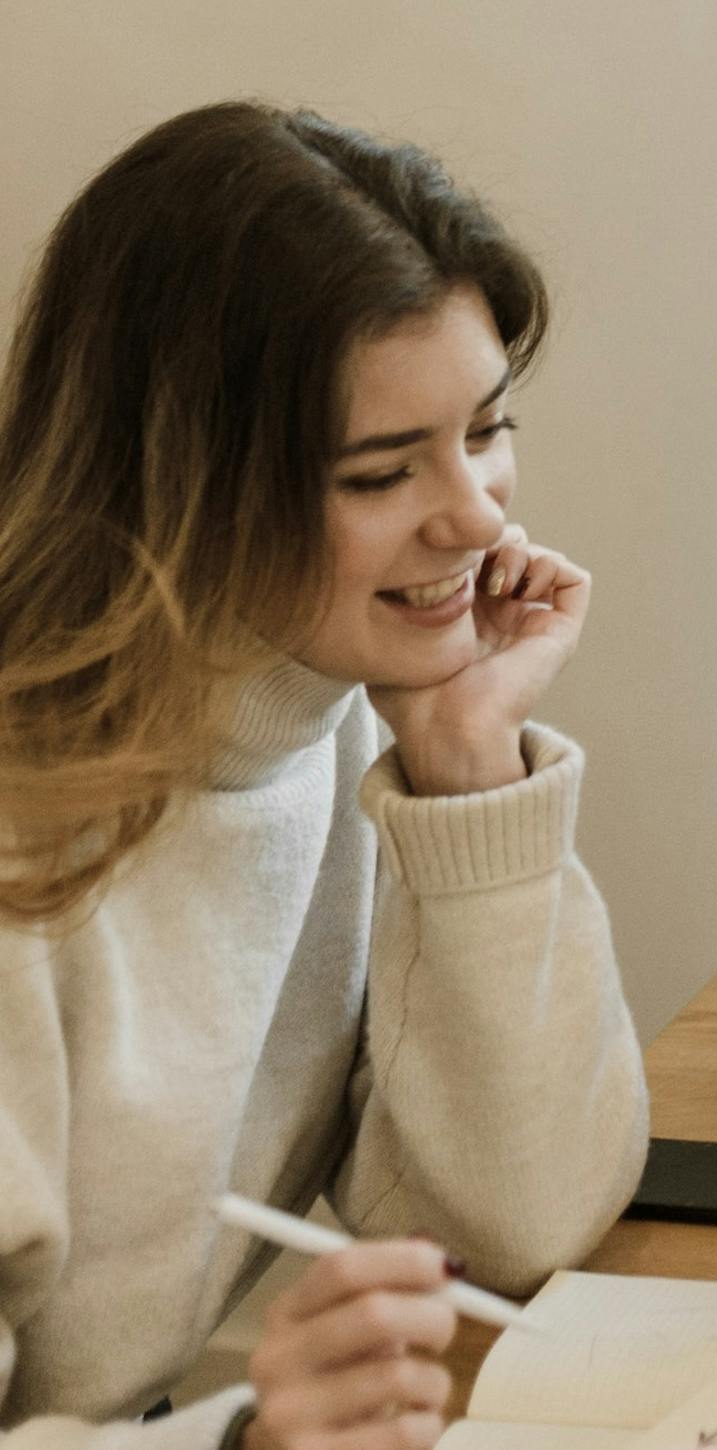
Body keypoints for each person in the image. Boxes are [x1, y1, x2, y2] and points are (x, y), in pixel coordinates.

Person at [0, 103, 648, 1449]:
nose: (476, 516)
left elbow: (516, 1222)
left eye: (487, 427)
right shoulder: (28, 848)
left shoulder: (336, 718)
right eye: (378, 470)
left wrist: (469, 765)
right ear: (181, 481)